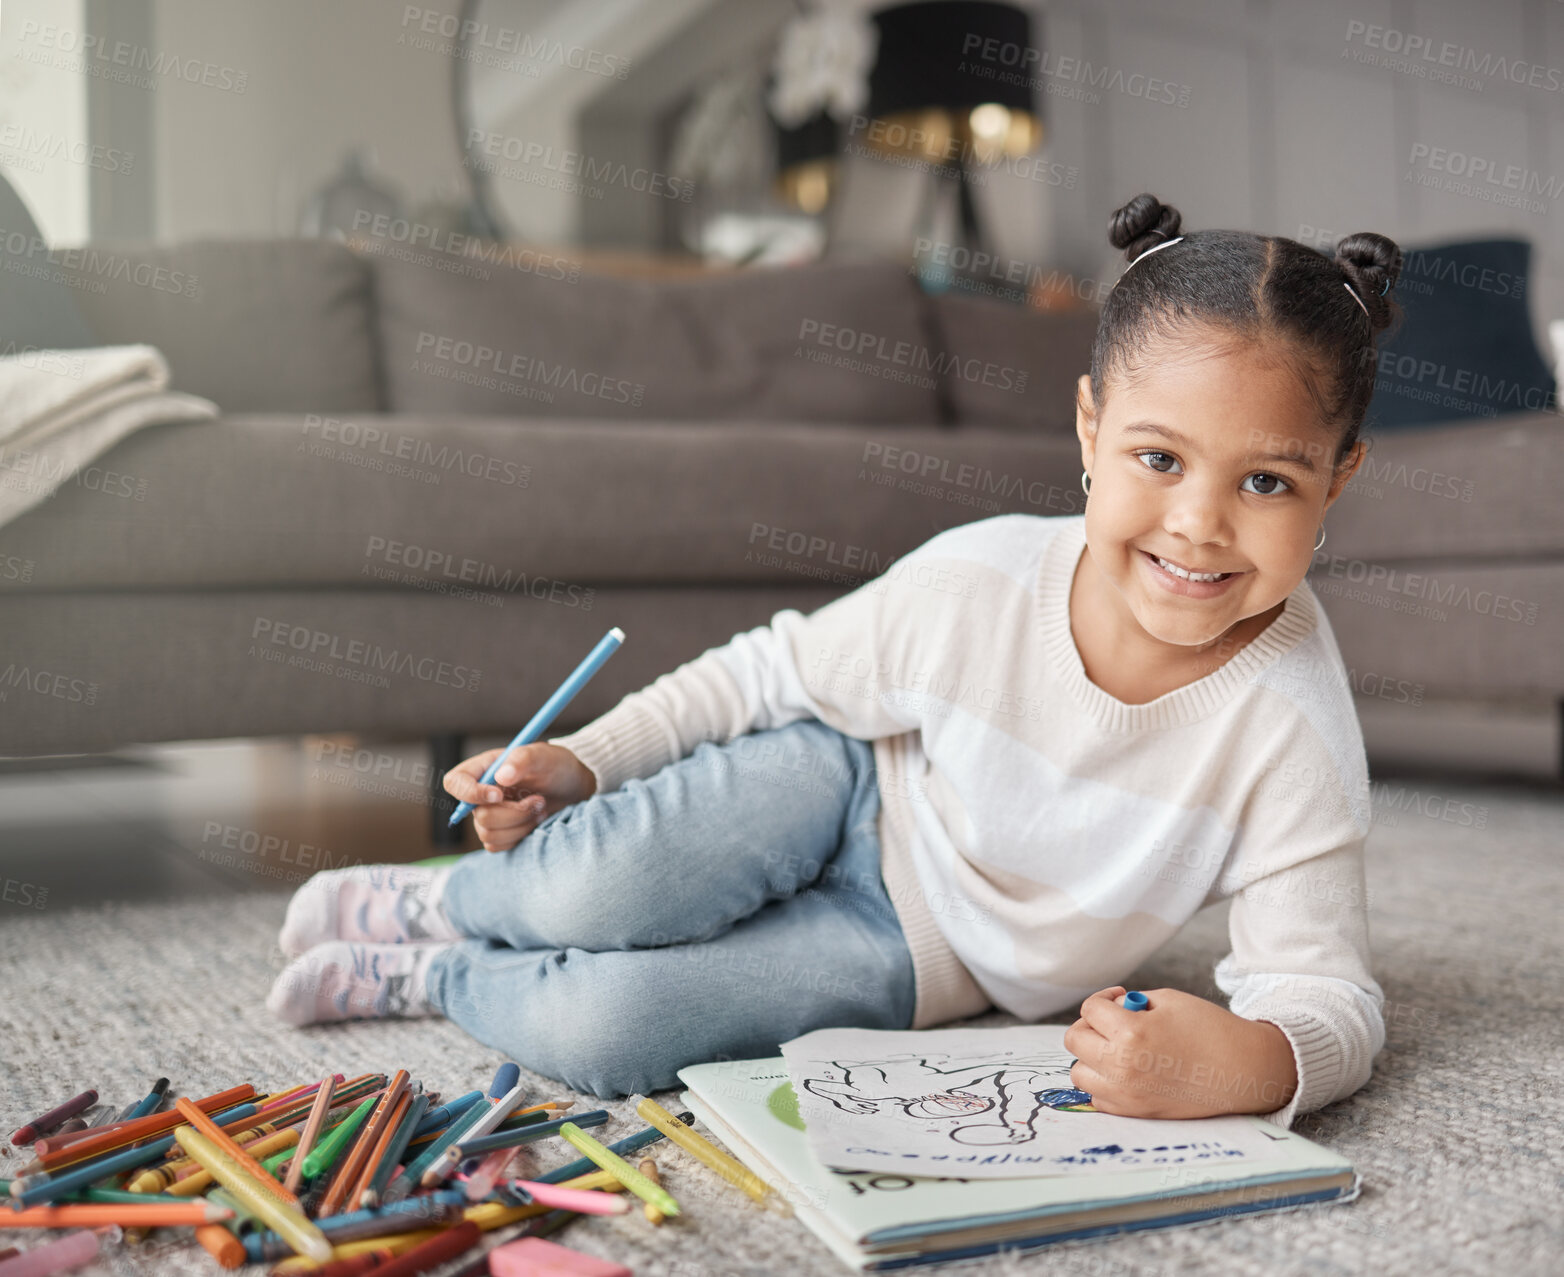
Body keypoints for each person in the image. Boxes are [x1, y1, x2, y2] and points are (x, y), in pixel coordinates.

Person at [268, 193, 1395, 1129]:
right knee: (596, 881)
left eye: (1266, 482)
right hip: (843, 781)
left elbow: (1326, 995)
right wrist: (588, 761)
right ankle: (455, 900)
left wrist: (1252, 1063)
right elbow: (763, 672)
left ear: (1336, 480)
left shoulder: (1290, 717)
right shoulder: (980, 580)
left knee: (607, 1032)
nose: (1199, 525)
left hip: (917, 950)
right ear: (1092, 431)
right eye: (1159, 456)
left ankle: (440, 968)